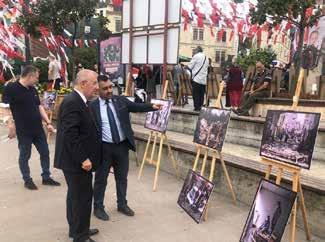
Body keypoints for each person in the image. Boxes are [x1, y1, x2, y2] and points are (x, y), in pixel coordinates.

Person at [90, 75, 160, 221]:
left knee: (122, 178)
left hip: (122, 147)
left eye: (110, 87)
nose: (109, 90)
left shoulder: (120, 100)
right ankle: (98, 207)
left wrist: (152, 106)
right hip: (104, 148)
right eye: (105, 88)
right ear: (98, 90)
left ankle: (122, 204)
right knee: (101, 179)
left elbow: (136, 107)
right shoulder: (92, 107)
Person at [54, 69, 101, 242]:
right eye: (94, 83)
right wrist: (84, 158)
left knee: (75, 196)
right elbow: (70, 135)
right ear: (83, 84)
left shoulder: (79, 101)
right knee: (82, 198)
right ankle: (81, 236)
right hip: (76, 162)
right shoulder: (73, 102)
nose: (97, 87)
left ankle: (78, 229)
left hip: (76, 161)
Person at [2, 65, 60, 189]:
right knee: (25, 156)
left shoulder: (32, 89)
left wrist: (48, 123)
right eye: (36, 78)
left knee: (45, 152)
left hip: (38, 129)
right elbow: (5, 107)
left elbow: (39, 107)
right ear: (30, 76)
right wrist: (10, 124)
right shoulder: (11, 88)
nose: (37, 80)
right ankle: (27, 180)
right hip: (23, 131)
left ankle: (46, 177)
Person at [187, 46, 209, 111]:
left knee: (196, 94)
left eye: (194, 50)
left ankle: (196, 107)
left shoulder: (196, 56)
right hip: (203, 80)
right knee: (201, 94)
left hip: (197, 79)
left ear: (197, 50)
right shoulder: (206, 58)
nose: (194, 52)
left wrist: (186, 68)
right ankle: (200, 107)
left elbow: (190, 66)